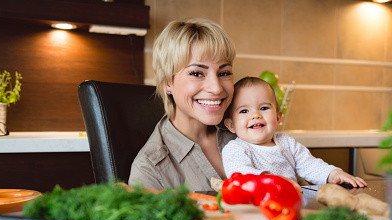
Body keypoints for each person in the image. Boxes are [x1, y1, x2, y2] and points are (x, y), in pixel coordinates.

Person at [129, 18, 237, 191]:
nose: (216, 88)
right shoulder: (150, 170)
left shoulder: (245, 131)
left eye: (224, 73)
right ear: (167, 83)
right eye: (196, 73)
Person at [222, 77, 367, 188]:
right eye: (244, 111)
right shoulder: (235, 149)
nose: (255, 115)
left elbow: (309, 165)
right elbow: (240, 175)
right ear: (231, 125)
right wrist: (273, 181)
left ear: (278, 117)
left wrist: (334, 173)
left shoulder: (286, 142)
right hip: (257, 206)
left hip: (293, 203)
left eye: (264, 108)